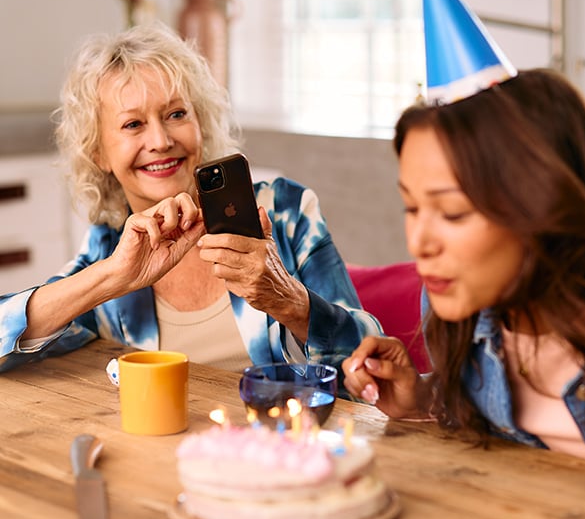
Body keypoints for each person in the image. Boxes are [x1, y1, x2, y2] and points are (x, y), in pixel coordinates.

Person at [0, 22, 381, 374]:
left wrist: (287, 300)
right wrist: (114, 277)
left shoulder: (285, 210)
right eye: (133, 124)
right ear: (98, 152)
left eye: (176, 114)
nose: (162, 141)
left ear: (201, 122)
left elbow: (372, 359)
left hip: (281, 439)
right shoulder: (110, 246)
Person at [342, 0, 585, 460]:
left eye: (453, 213)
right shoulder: (460, 309)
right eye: (412, 208)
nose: (420, 243)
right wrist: (423, 395)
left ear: (538, 204)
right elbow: (504, 412)